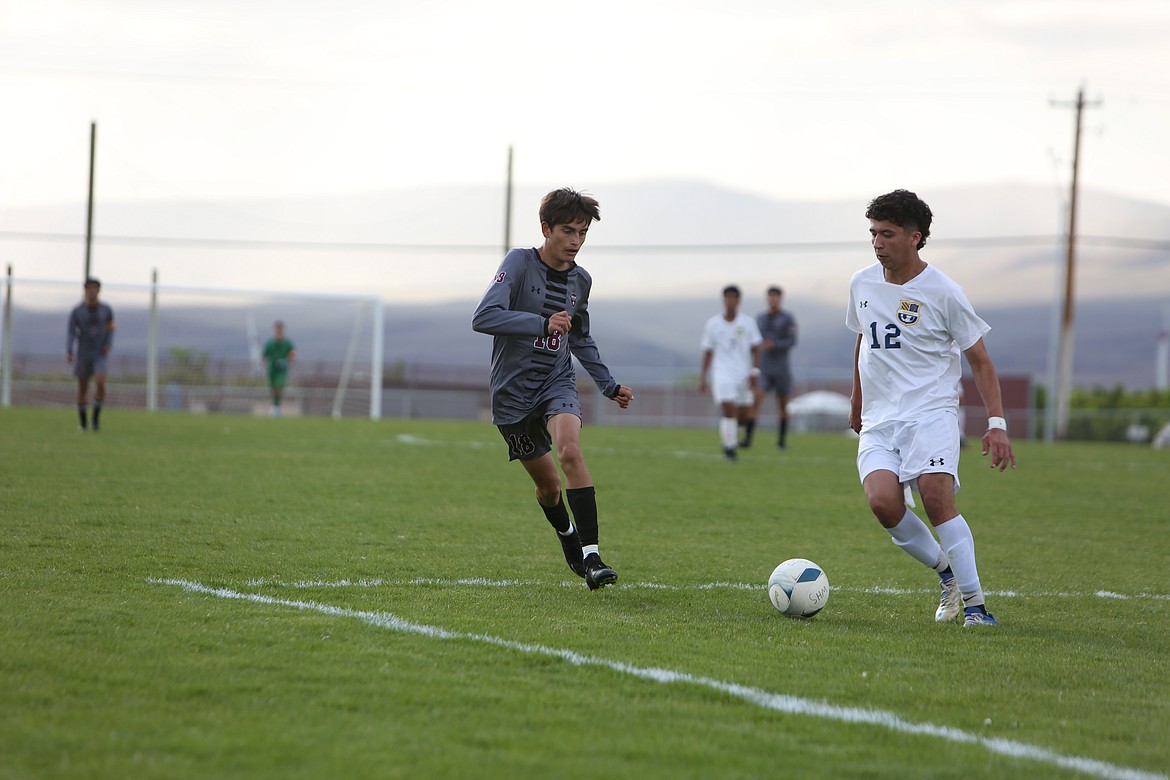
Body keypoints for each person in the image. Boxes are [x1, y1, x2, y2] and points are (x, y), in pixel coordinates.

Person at [846, 189, 1015, 628]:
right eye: (873, 234)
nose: (877, 243)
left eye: (887, 234)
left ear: (915, 238)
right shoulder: (861, 282)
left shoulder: (944, 292)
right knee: (882, 502)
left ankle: (977, 606)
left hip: (931, 412)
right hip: (881, 420)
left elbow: (980, 361)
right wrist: (857, 397)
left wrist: (996, 424)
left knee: (936, 496)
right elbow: (864, 337)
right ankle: (947, 575)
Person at [471, 187, 634, 591]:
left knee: (570, 452)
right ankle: (567, 537)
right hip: (511, 395)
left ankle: (592, 557)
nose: (575, 241)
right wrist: (539, 323)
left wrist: (608, 385)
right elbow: (484, 316)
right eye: (567, 231)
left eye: (582, 233)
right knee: (548, 487)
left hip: (556, 382)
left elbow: (580, 338)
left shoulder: (582, 281)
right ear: (546, 228)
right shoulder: (519, 262)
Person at [699, 285, 762, 461]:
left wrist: (755, 371)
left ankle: (731, 433)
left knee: (742, 416)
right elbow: (708, 351)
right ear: (724, 300)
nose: (730, 301)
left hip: (743, 374)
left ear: (738, 301)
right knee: (728, 407)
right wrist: (703, 377)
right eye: (728, 298)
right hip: (722, 373)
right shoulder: (713, 324)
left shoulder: (748, 323)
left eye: (734, 298)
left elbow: (757, 348)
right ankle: (730, 447)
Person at [750, 285, 798, 449]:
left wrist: (775, 344)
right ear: (767, 298)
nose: (773, 299)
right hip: (764, 368)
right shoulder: (761, 318)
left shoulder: (787, 318)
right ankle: (748, 439)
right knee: (756, 399)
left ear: (780, 299)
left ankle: (781, 440)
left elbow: (792, 341)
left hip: (781, 369)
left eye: (776, 297)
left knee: (782, 404)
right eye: (771, 296)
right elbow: (755, 340)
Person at [66, 277, 115, 431]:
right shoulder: (77, 311)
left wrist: (108, 343)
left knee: (100, 382)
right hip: (83, 354)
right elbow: (71, 332)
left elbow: (110, 328)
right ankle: (82, 423)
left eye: (95, 288)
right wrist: (69, 350)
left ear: (99, 290)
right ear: (85, 290)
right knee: (82, 387)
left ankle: (95, 419)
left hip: (99, 353)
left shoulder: (106, 310)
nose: (92, 291)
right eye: (89, 288)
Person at [261, 320, 296, 416]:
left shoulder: (288, 343)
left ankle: (276, 407)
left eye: (280, 328)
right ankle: (275, 406)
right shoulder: (270, 343)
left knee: (278, 387)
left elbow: (292, 354)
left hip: (282, 370)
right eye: (277, 328)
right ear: (275, 330)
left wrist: (289, 359)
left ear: (283, 330)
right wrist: (262, 364)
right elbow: (264, 356)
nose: (279, 330)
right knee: (273, 389)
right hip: (272, 369)